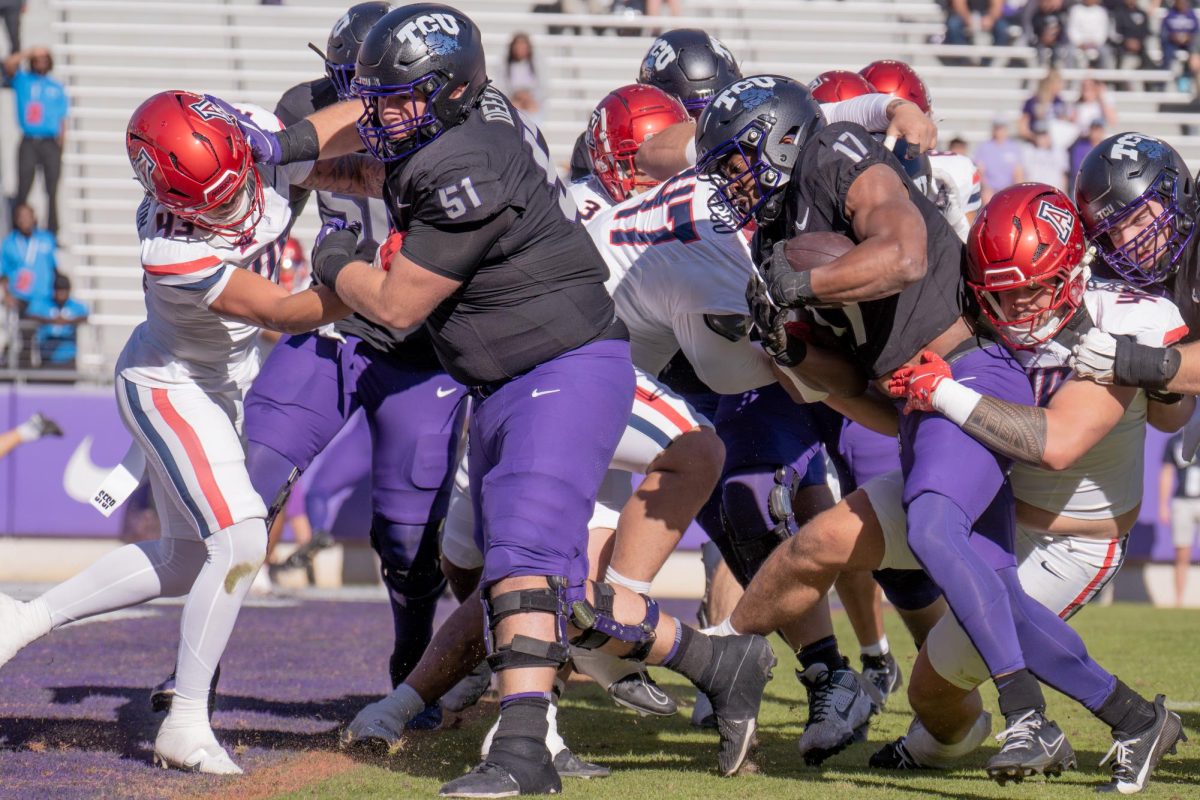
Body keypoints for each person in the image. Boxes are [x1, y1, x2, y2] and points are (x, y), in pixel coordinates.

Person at [232, 6, 776, 793]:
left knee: (520, 562)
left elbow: (391, 305)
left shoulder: (469, 161)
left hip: (559, 368)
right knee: (530, 580)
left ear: (447, 92)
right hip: (506, 378)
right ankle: (718, 660)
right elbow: (373, 154)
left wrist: (336, 252)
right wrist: (284, 153)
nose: (381, 114)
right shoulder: (465, 116)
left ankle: (522, 753)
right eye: (379, 99)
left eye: (398, 100)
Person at [694, 74, 1169, 785]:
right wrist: (793, 349)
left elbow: (906, 254)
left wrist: (803, 287)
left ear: (781, 139)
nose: (730, 183)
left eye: (735, 161)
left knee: (934, 531)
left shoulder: (836, 156)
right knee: (995, 592)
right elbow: (855, 386)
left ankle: (1027, 715)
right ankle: (1136, 718)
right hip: (917, 400)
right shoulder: (780, 228)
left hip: (967, 372)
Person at [0, 89, 351, 775]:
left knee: (188, 561)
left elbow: (327, 138)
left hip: (213, 384)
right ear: (178, 198)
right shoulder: (173, 250)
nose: (234, 204)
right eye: (214, 201)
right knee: (243, 535)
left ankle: (21, 619)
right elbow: (284, 310)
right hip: (171, 383)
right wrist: (383, 278)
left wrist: (335, 153)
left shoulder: (240, 139)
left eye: (237, 185)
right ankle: (185, 719)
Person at [879, 183, 1189, 794]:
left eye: (1034, 286)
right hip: (998, 507)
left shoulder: (1125, 316)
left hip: (1074, 539)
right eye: (1004, 291)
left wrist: (942, 390)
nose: (1019, 305)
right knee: (840, 548)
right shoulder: (978, 312)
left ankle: (1128, 721)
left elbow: (1057, 445)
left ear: (1073, 269)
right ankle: (860, 694)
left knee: (950, 671)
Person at [2, 47, 67, 236]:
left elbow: (63, 119)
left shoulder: (56, 86)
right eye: (36, 60)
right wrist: (30, 52)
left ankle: (52, 231)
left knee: (52, 189)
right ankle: (18, 228)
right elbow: (8, 64)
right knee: (23, 187)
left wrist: (61, 145)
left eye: (43, 59)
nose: (40, 63)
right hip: (29, 140)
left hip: (49, 142)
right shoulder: (23, 80)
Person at [1162, 431, 1200, 606]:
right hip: (1182, 501)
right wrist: (1163, 505)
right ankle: (1179, 600)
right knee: (1182, 553)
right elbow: (1167, 473)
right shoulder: (1176, 441)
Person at [0, 203, 56, 313]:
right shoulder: (9, 243)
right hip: (18, 297)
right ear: (16, 220)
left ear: (34, 218)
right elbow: (3, 273)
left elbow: (53, 267)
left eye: (28, 216)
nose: (25, 220)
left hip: (43, 297)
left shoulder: (47, 239)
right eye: (21, 217)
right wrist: (6, 295)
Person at [25, 272, 87, 370]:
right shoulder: (44, 304)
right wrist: (49, 321)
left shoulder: (75, 305)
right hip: (47, 359)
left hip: (68, 360)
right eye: (59, 291)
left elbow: (84, 317)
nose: (61, 295)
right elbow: (30, 315)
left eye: (64, 291)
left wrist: (68, 321)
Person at [974, 117, 1025, 199]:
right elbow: (980, 171)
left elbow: (1018, 172)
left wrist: (1017, 190)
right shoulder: (984, 147)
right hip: (990, 189)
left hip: (1009, 189)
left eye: (1002, 128)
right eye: (997, 128)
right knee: (986, 196)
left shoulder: (1014, 147)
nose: (1000, 131)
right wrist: (986, 188)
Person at [1020, 122, 1068, 190]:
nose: (1042, 138)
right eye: (1039, 135)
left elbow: (1063, 175)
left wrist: (1064, 194)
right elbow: (1020, 173)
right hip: (1034, 192)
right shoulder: (1027, 150)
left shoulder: (1059, 151)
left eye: (1044, 135)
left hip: (1054, 192)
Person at [1067, 0, 1114, 68]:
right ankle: (1071, 78)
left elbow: (1103, 31)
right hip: (1078, 43)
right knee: (1069, 52)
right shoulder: (1075, 10)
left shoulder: (1101, 11)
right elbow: (1072, 29)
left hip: (1096, 43)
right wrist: (1079, 43)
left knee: (1106, 52)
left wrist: (1095, 43)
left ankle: (1105, 78)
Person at [1112, 0, 1155, 71]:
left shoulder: (1142, 13)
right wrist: (1126, 41)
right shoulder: (1117, 13)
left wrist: (1139, 43)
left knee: (1149, 66)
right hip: (1122, 49)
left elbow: (1146, 31)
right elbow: (1114, 33)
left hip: (1140, 49)